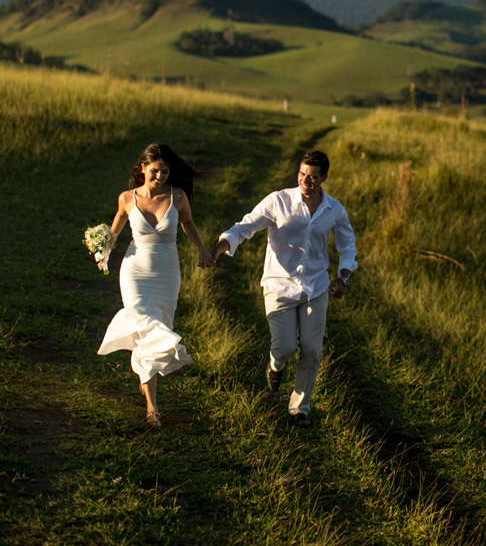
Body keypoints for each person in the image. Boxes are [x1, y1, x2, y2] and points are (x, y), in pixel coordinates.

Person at [209, 150, 357, 427]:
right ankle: (276, 364)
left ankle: (300, 409)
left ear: (324, 177)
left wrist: (342, 277)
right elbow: (245, 227)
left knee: (313, 351)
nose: (306, 180)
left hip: (316, 287)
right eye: (302, 174)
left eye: (313, 177)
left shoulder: (334, 210)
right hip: (279, 286)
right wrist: (220, 247)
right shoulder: (278, 201)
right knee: (287, 348)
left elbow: (348, 245)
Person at [97, 143, 212, 427]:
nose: (160, 176)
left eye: (165, 171)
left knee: (158, 330)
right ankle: (152, 408)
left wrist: (201, 250)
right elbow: (113, 232)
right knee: (146, 330)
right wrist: (102, 250)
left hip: (167, 274)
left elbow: (187, 224)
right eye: (155, 171)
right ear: (142, 169)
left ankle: (145, 383)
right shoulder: (127, 198)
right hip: (134, 271)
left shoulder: (178, 196)